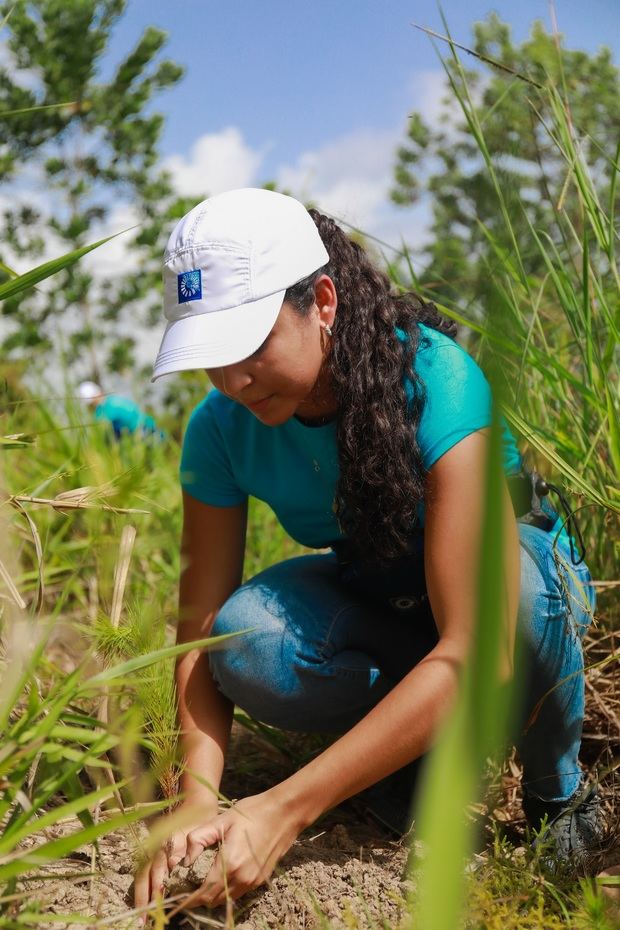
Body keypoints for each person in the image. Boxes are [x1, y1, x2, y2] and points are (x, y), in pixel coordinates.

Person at [135, 188, 601, 912]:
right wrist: (197, 796)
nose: (230, 380)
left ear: (321, 301)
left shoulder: (436, 381)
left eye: (248, 344)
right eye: (209, 356)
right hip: (390, 599)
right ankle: (418, 758)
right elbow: (199, 630)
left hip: (512, 605)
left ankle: (557, 790)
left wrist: (285, 808)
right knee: (246, 637)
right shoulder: (219, 428)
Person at [77, 381, 160, 440]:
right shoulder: (112, 400)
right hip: (147, 428)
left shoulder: (107, 408)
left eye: (90, 405)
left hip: (144, 433)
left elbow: (98, 430)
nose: (90, 408)